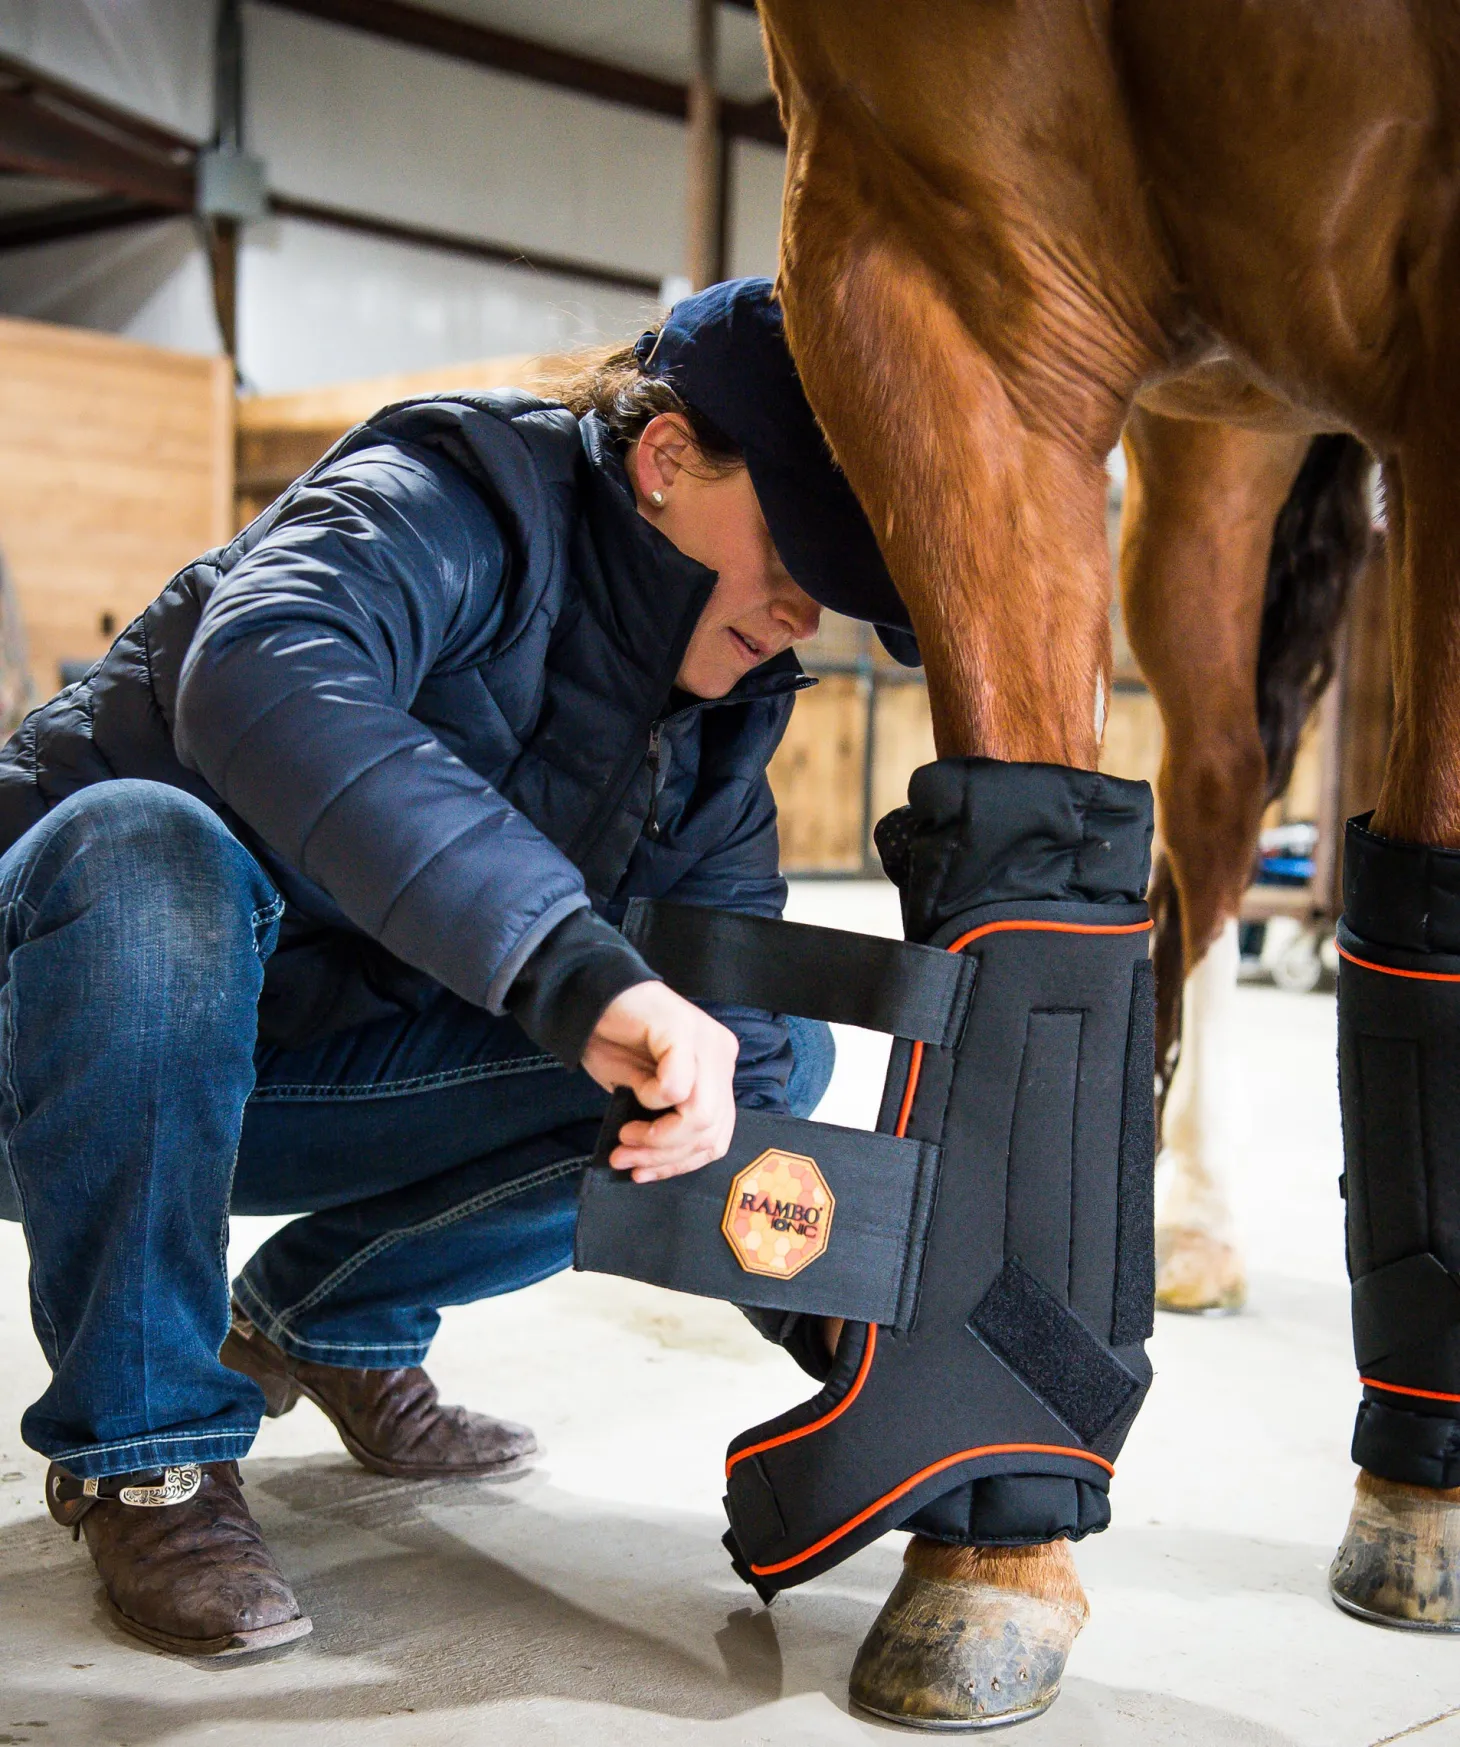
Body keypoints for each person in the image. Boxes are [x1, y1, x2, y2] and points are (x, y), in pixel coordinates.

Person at [0, 278, 918, 1657]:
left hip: (280, 1080)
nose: (808, 609)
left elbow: (734, 1044)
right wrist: (569, 966)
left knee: (746, 1055)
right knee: (148, 848)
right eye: (800, 544)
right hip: (51, 1046)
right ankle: (147, 1453)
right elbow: (261, 668)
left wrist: (843, 1319)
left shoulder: (716, 713)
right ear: (668, 459)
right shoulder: (454, 492)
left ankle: (333, 1320)